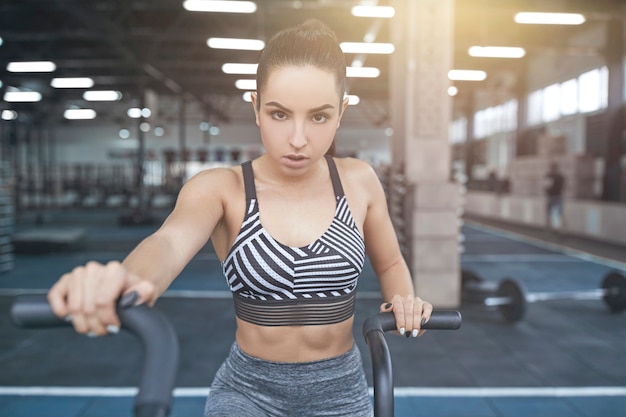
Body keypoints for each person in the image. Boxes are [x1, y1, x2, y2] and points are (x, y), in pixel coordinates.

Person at [47, 19, 433, 417]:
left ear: (341, 113)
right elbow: (167, 243)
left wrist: (403, 299)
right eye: (279, 114)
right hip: (248, 394)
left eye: (318, 117)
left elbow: (389, 262)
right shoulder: (221, 188)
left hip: (342, 393)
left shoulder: (359, 180)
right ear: (255, 107)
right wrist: (124, 279)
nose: (298, 139)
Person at [544, 161, 566, 229]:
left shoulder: (549, 176)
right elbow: (563, 187)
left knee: (550, 212)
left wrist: (547, 191)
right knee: (558, 212)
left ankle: (550, 225)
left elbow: (546, 186)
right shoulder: (560, 177)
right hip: (557, 196)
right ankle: (559, 226)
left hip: (553, 196)